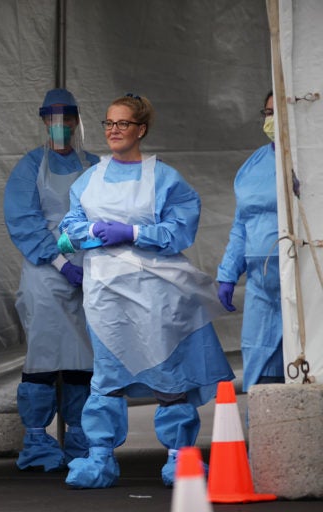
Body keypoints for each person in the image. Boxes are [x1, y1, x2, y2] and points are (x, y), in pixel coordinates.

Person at [58, 93, 234, 488]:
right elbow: (70, 225)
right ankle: (100, 456)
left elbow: (180, 229)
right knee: (107, 372)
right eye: (108, 123)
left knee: (168, 371)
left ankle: (179, 458)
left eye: (122, 124)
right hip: (105, 291)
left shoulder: (165, 178)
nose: (113, 131)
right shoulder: (89, 179)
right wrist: (86, 233)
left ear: (141, 129)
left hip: (157, 291)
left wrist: (132, 232)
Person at [3, 88, 97, 472]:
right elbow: (23, 223)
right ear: (43, 120)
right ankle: (38, 441)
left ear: (76, 120)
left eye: (66, 118)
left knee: (83, 359)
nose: (60, 125)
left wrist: (89, 264)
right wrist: (61, 262)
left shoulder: (93, 166)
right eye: (52, 118)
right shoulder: (30, 167)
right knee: (43, 356)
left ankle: (80, 435)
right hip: (45, 274)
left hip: (89, 274)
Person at [217, 91, 284, 391]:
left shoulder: (311, 160)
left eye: (278, 111)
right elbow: (242, 224)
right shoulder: (252, 166)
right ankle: (264, 435)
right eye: (267, 112)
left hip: (304, 284)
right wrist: (228, 273)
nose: (271, 119)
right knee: (260, 361)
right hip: (262, 285)